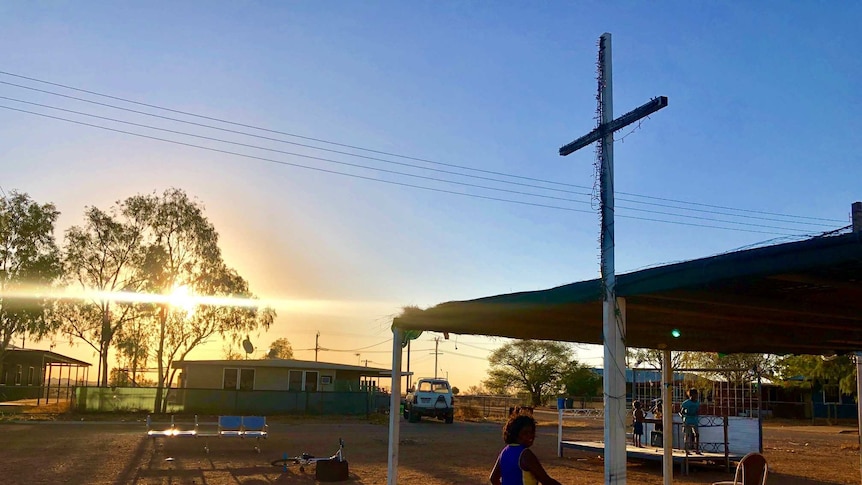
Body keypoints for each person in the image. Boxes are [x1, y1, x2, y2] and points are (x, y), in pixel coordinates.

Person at [490, 413, 563, 485]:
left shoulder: (504, 452)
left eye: (532, 432)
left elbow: (493, 478)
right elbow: (546, 481)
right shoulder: (525, 455)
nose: (530, 436)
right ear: (515, 434)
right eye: (525, 433)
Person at [679, 388, 701, 454]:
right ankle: (686, 449)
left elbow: (697, 411)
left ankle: (696, 449)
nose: (695, 396)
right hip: (687, 420)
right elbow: (681, 412)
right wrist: (683, 417)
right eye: (694, 395)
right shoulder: (686, 403)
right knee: (687, 434)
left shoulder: (697, 403)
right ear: (690, 395)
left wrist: (697, 414)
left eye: (696, 395)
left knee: (696, 434)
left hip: (695, 420)